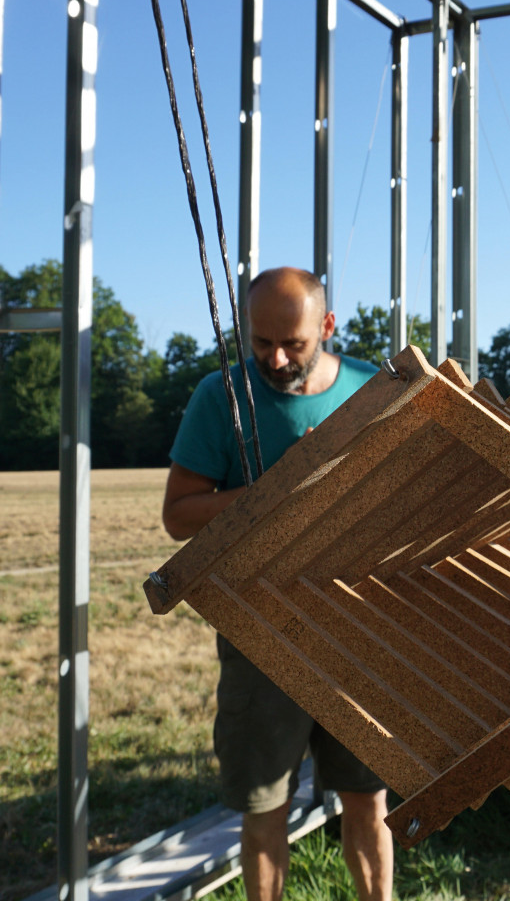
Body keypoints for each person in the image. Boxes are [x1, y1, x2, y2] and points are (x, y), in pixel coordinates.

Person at [162, 267, 392, 901]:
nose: (277, 359)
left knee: (368, 800)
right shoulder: (221, 396)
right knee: (265, 806)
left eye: (293, 343)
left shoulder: (374, 391)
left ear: (327, 326)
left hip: (361, 633)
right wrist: (278, 487)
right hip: (261, 634)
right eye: (261, 342)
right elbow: (179, 515)